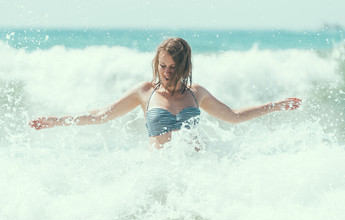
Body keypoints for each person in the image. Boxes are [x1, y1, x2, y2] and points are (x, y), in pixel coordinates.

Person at [29, 37, 302, 149]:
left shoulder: (197, 93)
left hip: (198, 172)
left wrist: (275, 105)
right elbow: (101, 116)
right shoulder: (144, 92)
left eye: (173, 67)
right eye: (162, 65)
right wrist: (56, 121)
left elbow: (233, 115)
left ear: (184, 66)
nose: (167, 72)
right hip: (161, 175)